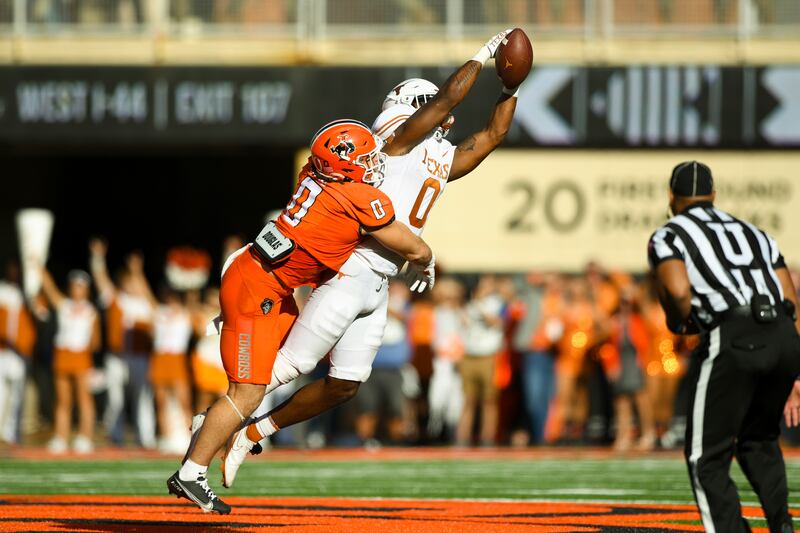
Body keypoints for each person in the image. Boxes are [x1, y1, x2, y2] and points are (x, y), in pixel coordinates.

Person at [220, 28, 523, 484]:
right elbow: (445, 103)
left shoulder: (439, 157)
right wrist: (484, 53)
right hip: (353, 267)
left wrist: (510, 86)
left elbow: (495, 133)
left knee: (345, 384)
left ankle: (255, 431)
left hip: (382, 280)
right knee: (287, 367)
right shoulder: (394, 145)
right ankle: (214, 423)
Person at [167, 119, 435, 514]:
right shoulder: (359, 198)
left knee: (296, 358)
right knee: (249, 392)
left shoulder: (311, 172)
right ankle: (191, 472)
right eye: (364, 159)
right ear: (344, 167)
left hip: (260, 277)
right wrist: (428, 260)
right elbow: (412, 245)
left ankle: (209, 423)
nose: (373, 164)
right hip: (257, 291)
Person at [648, 160, 800, 533]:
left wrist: (680, 320)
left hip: (732, 333)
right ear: (713, 195)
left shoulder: (669, 234)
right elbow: (790, 300)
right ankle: (782, 526)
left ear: (672, 197)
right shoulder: (757, 234)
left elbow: (679, 290)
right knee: (759, 440)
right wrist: (793, 370)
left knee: (705, 456)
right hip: (781, 333)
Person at [90, 240, 156, 448]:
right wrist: (98, 257)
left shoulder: (145, 304)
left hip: (139, 357)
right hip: (117, 357)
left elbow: (154, 306)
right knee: (114, 397)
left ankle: (145, 437)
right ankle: (115, 435)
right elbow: (100, 279)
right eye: (130, 281)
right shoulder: (115, 298)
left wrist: (138, 271)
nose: (134, 284)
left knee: (143, 398)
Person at [40, 267, 100, 454]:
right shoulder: (64, 305)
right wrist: (39, 267)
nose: (77, 289)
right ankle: (61, 437)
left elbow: (96, 342)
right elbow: (49, 289)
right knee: (62, 400)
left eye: (80, 286)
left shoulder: (91, 311)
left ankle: (84, 437)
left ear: (87, 290)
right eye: (74, 286)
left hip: (81, 356)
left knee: (84, 399)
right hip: (62, 355)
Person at [354, 280, 413, 446]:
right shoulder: (374, 305)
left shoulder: (406, 308)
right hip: (370, 367)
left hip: (394, 369)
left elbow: (406, 317)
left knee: (396, 408)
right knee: (367, 407)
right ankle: (365, 441)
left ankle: (396, 442)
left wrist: (391, 306)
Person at [457, 275, 505, 446]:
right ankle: (462, 438)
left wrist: (479, 304)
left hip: (489, 357)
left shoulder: (498, 303)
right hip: (469, 355)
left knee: (489, 401)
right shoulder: (469, 305)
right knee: (468, 399)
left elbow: (494, 321)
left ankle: (488, 438)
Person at [0, 262, 36, 444]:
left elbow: (41, 315)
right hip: (2, 350)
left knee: (17, 395)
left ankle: (12, 434)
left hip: (21, 352)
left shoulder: (29, 294)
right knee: (1, 393)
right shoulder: (2, 290)